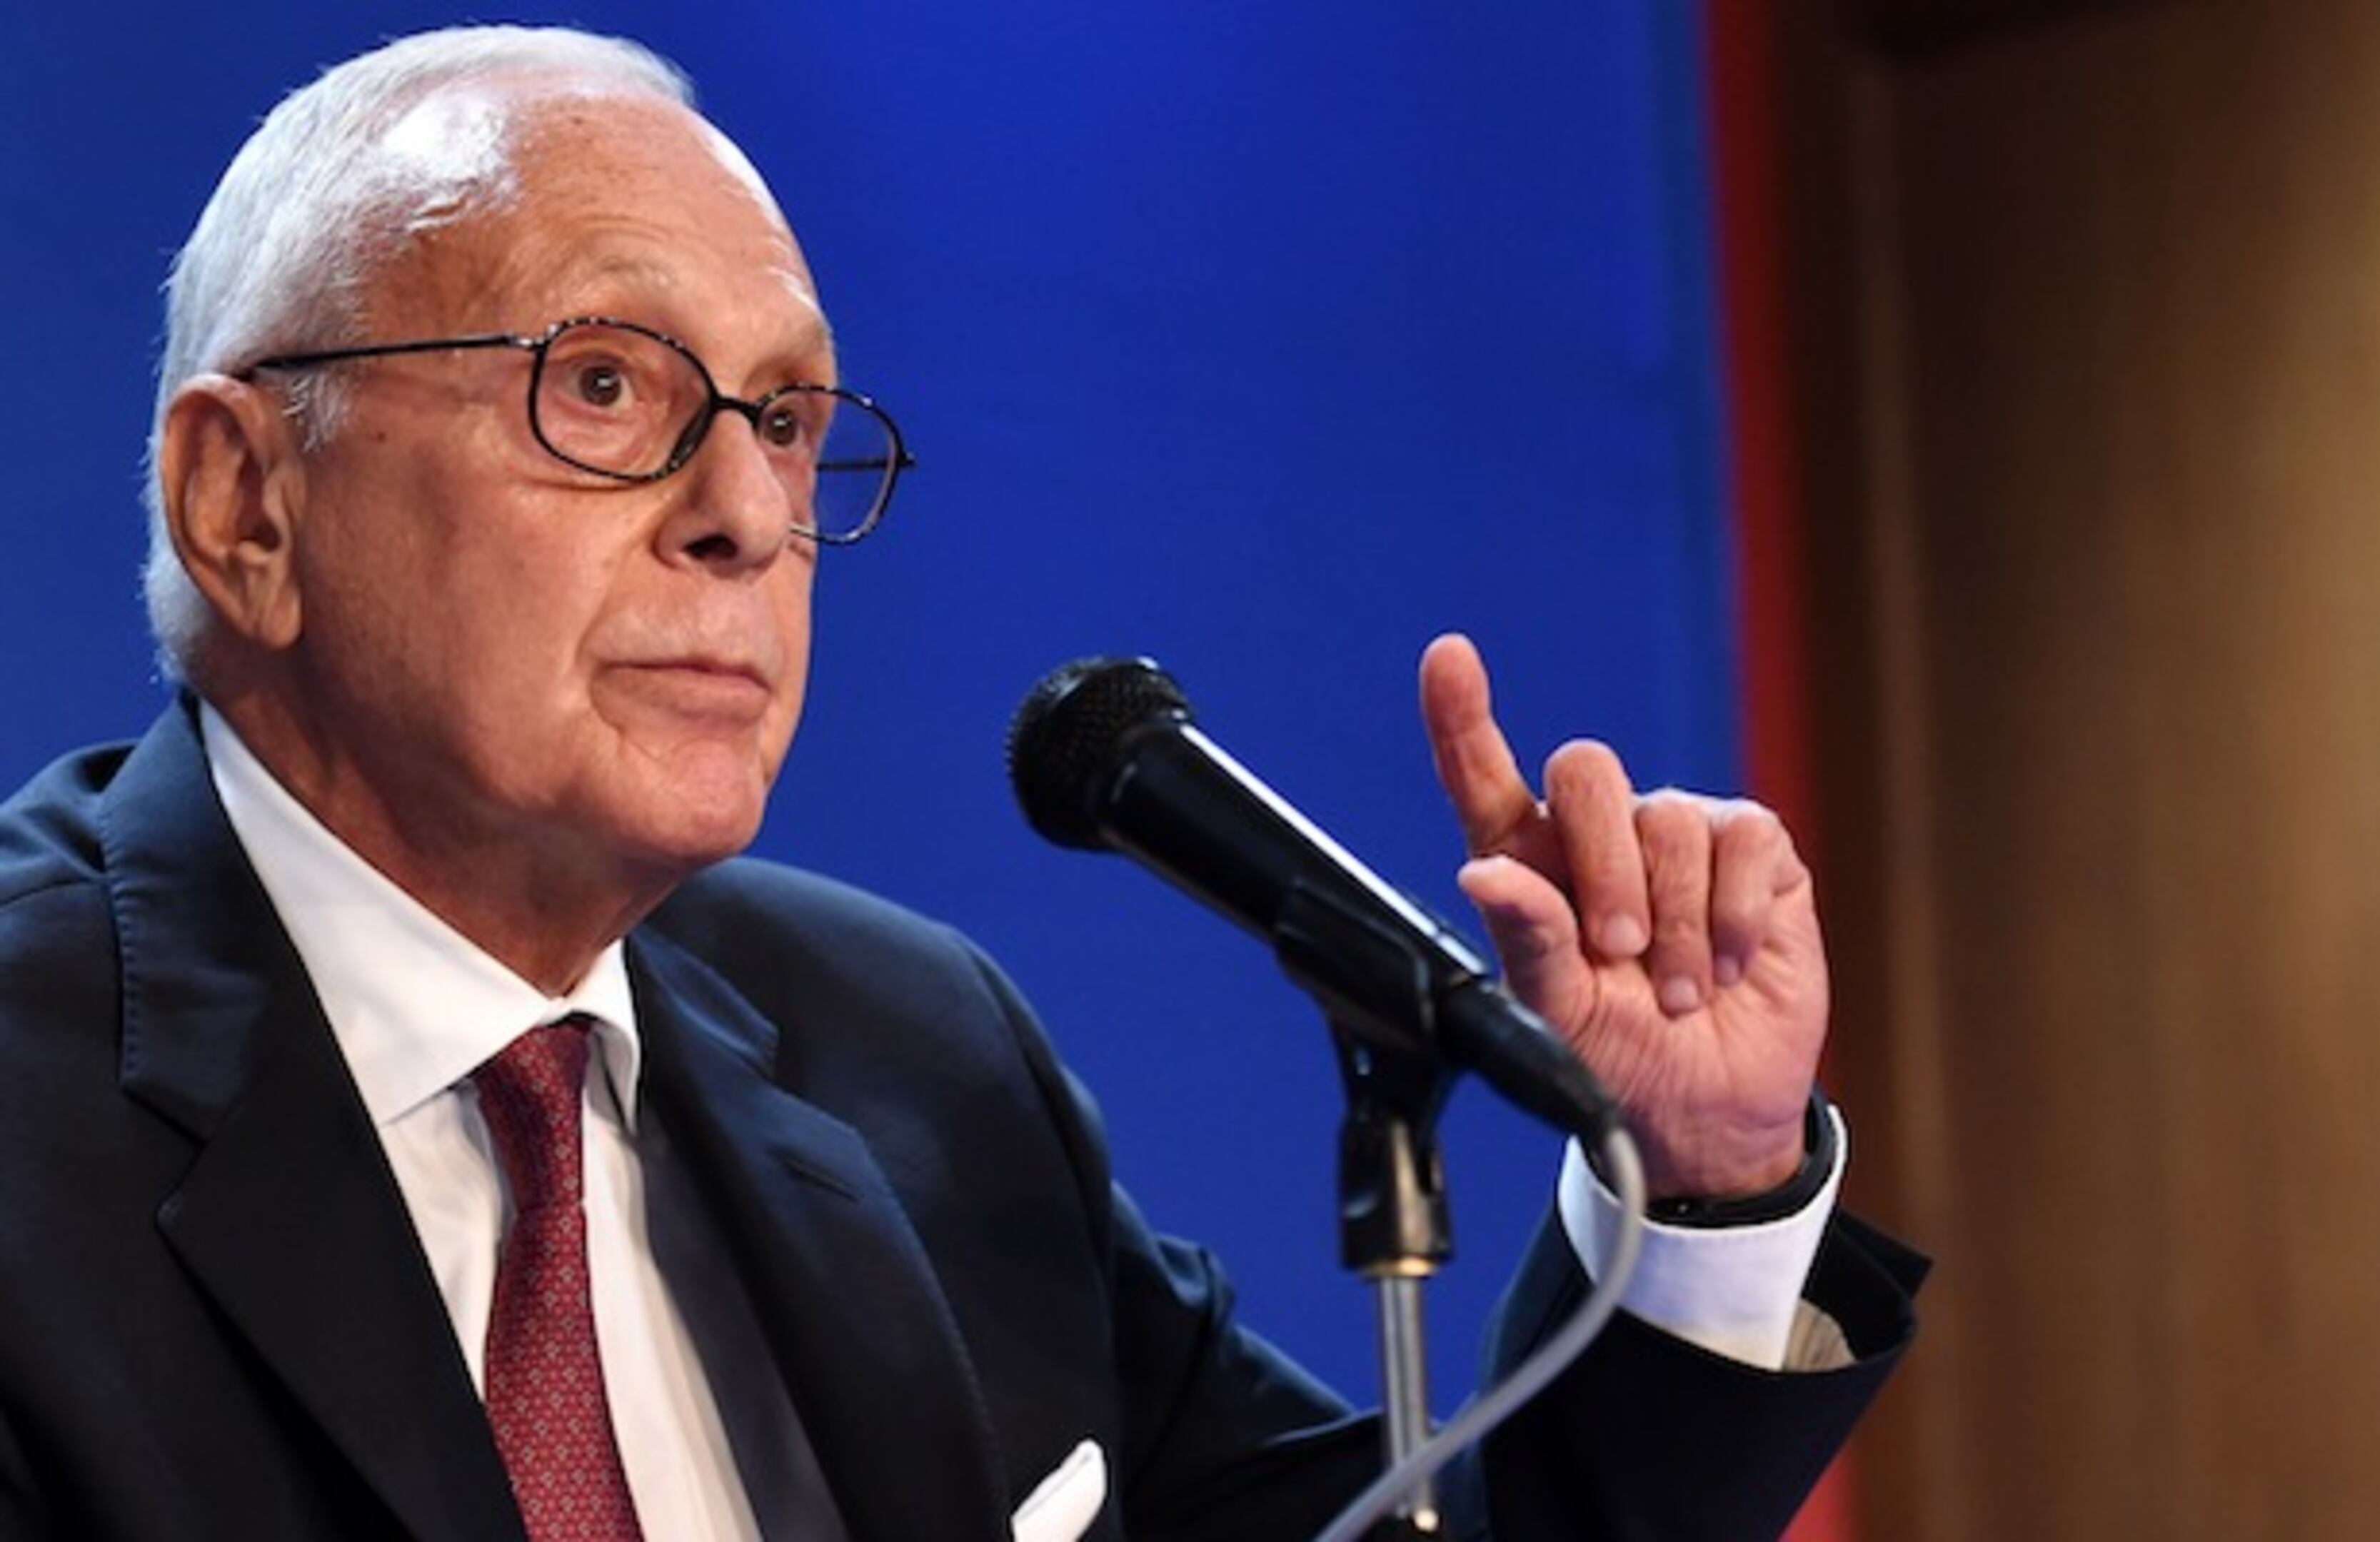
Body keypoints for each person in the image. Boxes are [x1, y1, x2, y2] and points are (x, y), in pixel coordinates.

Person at [0, 25, 1920, 1541]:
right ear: (248, 502)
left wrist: (1706, 1189)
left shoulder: (914, 1064)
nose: (748, 510)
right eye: (604, 388)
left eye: (788, 419)